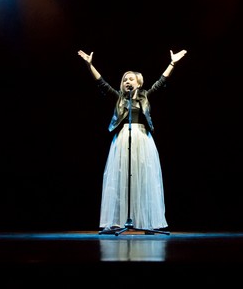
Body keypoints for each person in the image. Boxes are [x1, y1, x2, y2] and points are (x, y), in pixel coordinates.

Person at [77, 48, 187, 233]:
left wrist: (172, 63)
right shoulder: (119, 98)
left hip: (142, 139)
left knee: (142, 178)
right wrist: (90, 65)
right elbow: (102, 83)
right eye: (124, 80)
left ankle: (145, 221)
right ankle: (119, 221)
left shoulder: (145, 96)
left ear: (139, 82)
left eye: (130, 79)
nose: (127, 81)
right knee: (122, 178)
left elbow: (161, 82)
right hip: (123, 139)